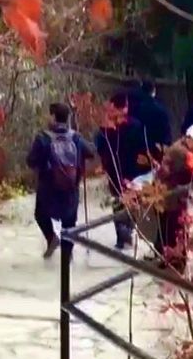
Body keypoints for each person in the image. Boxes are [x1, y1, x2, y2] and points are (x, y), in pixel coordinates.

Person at [26, 101, 97, 258]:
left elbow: (31, 161)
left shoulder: (43, 138)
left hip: (48, 190)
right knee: (69, 223)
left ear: (53, 116)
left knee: (41, 215)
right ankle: (67, 256)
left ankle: (52, 237)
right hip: (70, 189)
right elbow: (91, 152)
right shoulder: (76, 138)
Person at [96, 92, 147, 250]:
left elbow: (100, 148)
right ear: (125, 106)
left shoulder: (106, 129)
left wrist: (104, 164)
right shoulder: (136, 125)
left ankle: (121, 234)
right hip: (132, 169)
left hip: (114, 168)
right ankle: (129, 229)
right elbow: (142, 148)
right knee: (131, 199)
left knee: (118, 199)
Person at [155, 124, 193, 273]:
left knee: (166, 228)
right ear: (188, 138)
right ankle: (175, 262)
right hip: (170, 196)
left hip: (168, 194)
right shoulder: (181, 152)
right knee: (174, 228)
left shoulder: (180, 147)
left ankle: (167, 258)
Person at [126, 79, 174, 162]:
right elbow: (165, 130)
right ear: (153, 91)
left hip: (135, 146)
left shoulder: (132, 107)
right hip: (154, 147)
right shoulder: (159, 109)